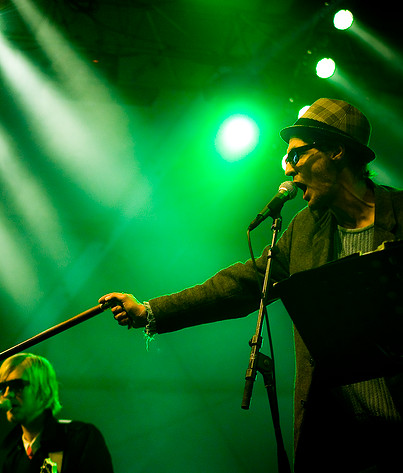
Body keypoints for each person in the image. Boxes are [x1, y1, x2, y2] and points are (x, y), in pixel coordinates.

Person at [99, 98, 402, 472]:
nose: (288, 169)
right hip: (343, 443)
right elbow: (243, 283)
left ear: (337, 151)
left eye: (297, 155)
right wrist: (150, 311)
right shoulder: (305, 229)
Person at [0, 352, 114, 473]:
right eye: (1, 388)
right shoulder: (13, 458)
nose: (6, 395)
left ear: (43, 391)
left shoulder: (80, 438)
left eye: (17, 386)